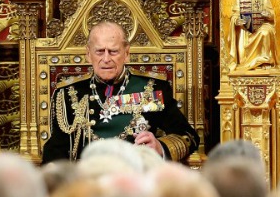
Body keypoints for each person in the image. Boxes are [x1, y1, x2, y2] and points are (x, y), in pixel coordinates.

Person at [42, 21, 199, 164]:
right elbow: (56, 150)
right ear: (88, 54)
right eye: (99, 51)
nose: (106, 59)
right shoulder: (68, 93)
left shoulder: (152, 88)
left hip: (136, 180)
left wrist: (159, 147)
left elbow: (188, 137)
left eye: (113, 51)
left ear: (127, 53)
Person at [229, 0, 278, 70]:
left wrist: (266, 14)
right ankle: (244, 62)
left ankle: (264, 60)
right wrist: (237, 20)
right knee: (242, 31)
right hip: (246, 26)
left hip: (262, 24)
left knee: (266, 32)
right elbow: (235, 12)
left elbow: (272, 14)